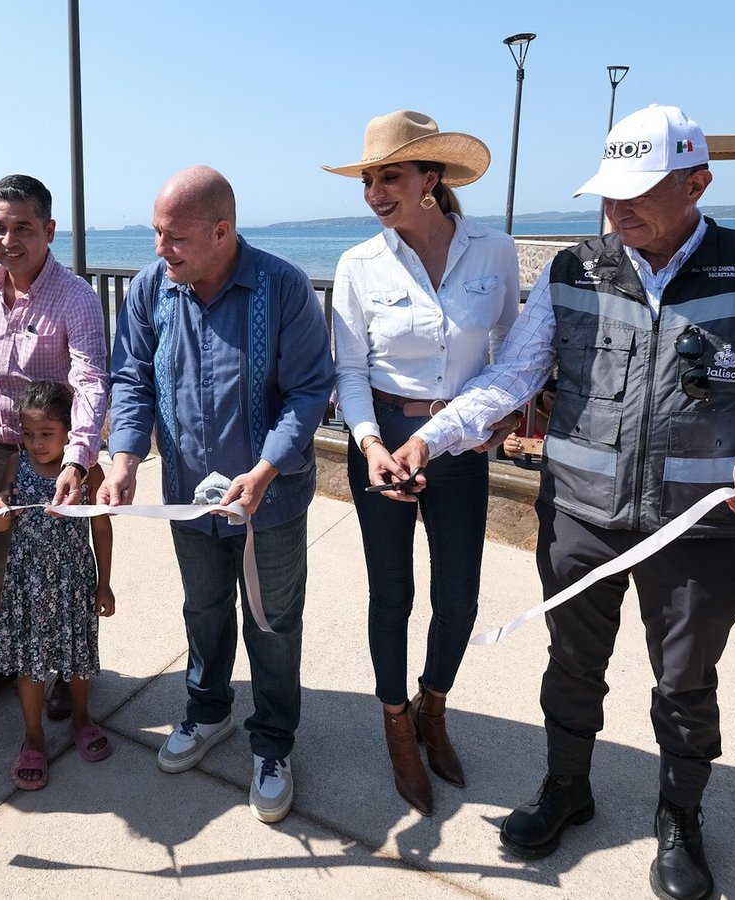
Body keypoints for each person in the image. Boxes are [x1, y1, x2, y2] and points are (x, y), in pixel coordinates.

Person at [388, 105, 735, 900]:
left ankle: (678, 819)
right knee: (571, 666)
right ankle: (568, 790)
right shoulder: (573, 269)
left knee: (685, 683)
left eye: (639, 193)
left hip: (700, 527)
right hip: (580, 517)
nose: (616, 211)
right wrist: (438, 434)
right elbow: (514, 376)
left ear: (698, 182)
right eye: (609, 194)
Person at [99, 166, 336, 824]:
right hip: (185, 498)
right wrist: (123, 458)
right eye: (155, 234)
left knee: (272, 623)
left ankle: (273, 745)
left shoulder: (283, 288)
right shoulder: (153, 290)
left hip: (273, 505)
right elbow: (132, 378)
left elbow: (311, 391)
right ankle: (207, 714)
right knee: (203, 611)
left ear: (222, 232)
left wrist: (264, 472)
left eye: (173, 237)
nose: (159, 250)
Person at [324, 110, 521, 816]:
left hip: (461, 448)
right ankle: (395, 724)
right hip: (383, 448)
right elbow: (349, 373)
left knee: (460, 598)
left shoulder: (494, 251)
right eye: (370, 179)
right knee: (392, 595)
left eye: (391, 176)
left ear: (430, 179)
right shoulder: (357, 265)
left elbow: (511, 351)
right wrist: (373, 448)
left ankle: (433, 706)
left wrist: (501, 414)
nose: (376, 191)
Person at [0, 174, 109, 719]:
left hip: (51, 460)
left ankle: (55, 667)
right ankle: (9, 659)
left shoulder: (76, 297)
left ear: (49, 230)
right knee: (3, 569)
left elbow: (92, 378)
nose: (10, 239)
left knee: (60, 570)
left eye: (23, 227)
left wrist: (77, 458)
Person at [0, 380, 115, 791]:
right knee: (31, 662)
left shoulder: (87, 471)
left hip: (74, 579)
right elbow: (3, 521)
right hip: (27, 584)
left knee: (78, 656)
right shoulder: (16, 466)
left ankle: (81, 718)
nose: (36, 443)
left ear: (68, 431)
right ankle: (33, 737)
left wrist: (105, 584)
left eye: (47, 434)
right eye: (27, 434)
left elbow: (101, 527)